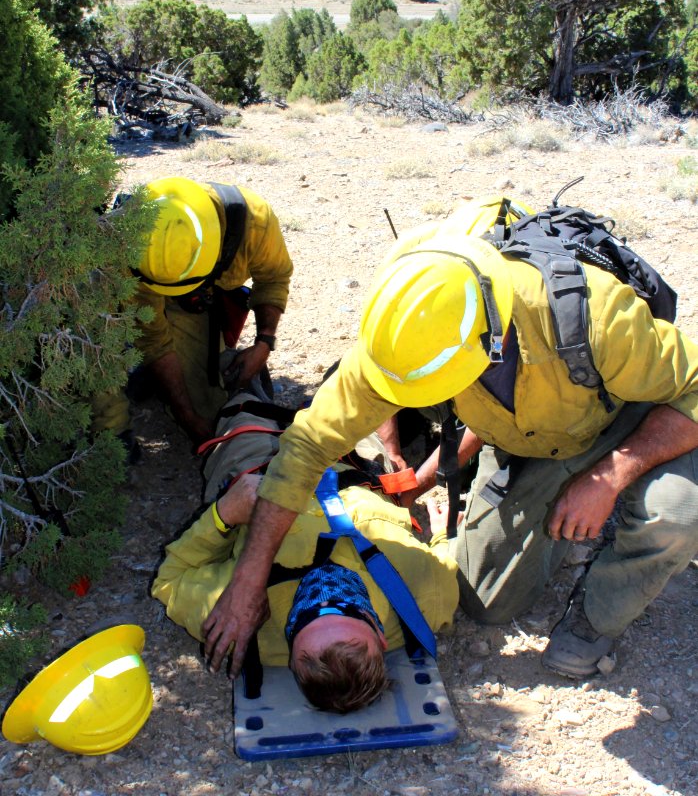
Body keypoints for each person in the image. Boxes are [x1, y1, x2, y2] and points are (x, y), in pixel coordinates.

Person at [201, 200, 698, 681]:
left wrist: (609, 477)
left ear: (492, 343)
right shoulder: (404, 332)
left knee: (675, 514)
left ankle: (597, 620)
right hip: (536, 437)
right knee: (484, 600)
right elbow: (305, 449)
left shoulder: (591, 318)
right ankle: (545, 505)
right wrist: (248, 578)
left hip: (632, 419)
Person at [152, 471, 458, 713]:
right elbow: (445, 560)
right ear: (380, 636)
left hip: (260, 469)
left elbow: (167, 581)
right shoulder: (423, 600)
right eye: (346, 609)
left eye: (306, 616)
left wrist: (224, 513)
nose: (325, 596)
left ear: (289, 649)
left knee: (237, 409)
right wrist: (443, 532)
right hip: (352, 464)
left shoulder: (236, 625)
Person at [93, 177, 293, 447]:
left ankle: (151, 375)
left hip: (198, 303)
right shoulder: (133, 247)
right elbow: (154, 340)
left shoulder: (255, 222)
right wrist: (185, 415)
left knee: (210, 408)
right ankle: (116, 420)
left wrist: (264, 343)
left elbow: (273, 279)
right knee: (100, 339)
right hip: (137, 300)